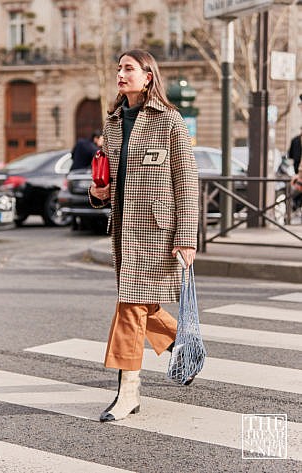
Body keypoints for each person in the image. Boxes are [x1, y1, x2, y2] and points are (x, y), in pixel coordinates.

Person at [89, 49, 198, 422]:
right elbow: (111, 180)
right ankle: (184, 345)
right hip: (123, 231)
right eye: (118, 67)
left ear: (148, 76)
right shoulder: (114, 122)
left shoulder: (170, 121)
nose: (121, 73)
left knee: (130, 306)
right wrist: (98, 194)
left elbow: (186, 183)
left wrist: (186, 236)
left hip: (157, 232)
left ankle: (128, 392)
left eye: (129, 68)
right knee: (139, 305)